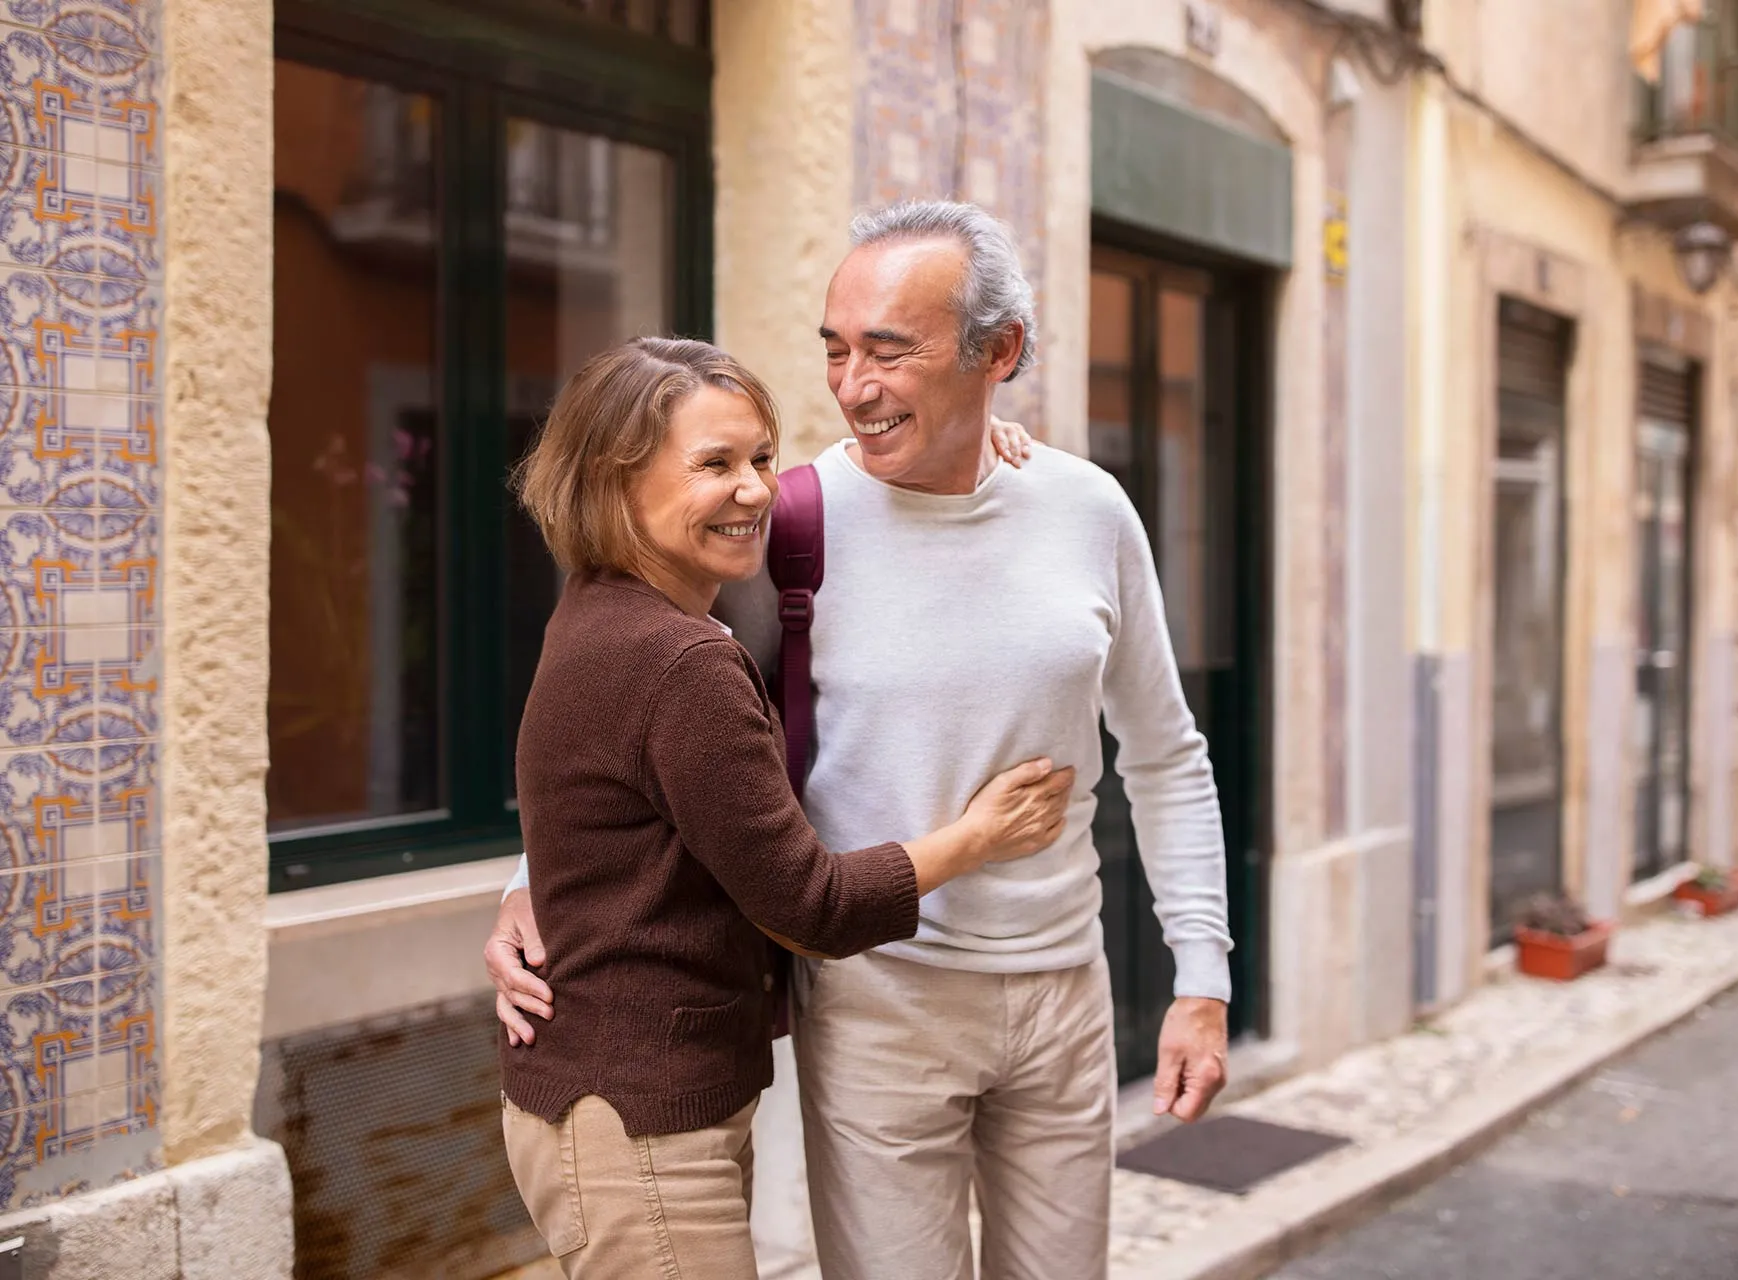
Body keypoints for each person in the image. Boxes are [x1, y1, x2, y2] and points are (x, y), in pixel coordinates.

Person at [488, 201, 1233, 1280]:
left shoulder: (1087, 509)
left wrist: (1200, 976)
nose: (852, 385)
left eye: (890, 349)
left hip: (1067, 989)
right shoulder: (778, 523)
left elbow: (1165, 752)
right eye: (836, 349)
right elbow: (624, 725)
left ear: (999, 353)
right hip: (877, 997)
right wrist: (530, 879)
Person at [498, 334, 1073, 1278]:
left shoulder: (602, 609)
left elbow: (606, 826)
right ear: (614, 483)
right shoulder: (680, 660)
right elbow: (809, 907)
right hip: (637, 1120)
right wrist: (976, 839)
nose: (756, 490)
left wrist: (973, 430)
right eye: (714, 465)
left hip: (618, 1102)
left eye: (761, 457)